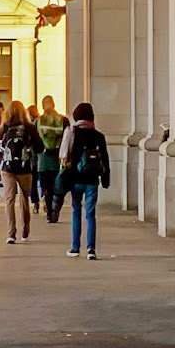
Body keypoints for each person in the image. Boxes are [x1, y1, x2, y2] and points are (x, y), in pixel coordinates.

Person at [59, 100, 111, 259]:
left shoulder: (72, 132)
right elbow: (105, 159)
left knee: (76, 211)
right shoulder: (99, 136)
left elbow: (63, 155)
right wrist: (106, 178)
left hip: (75, 179)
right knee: (91, 214)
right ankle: (91, 249)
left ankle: (75, 247)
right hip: (92, 180)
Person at [0, 100, 38, 242]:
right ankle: (25, 230)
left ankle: (11, 234)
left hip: (7, 168)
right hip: (24, 167)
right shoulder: (29, 127)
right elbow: (40, 147)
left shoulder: (4, 127)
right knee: (24, 199)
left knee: (9, 200)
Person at [34, 95, 68, 221]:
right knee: (58, 188)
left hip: (43, 161)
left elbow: (34, 141)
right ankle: (56, 210)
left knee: (46, 188)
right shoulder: (63, 120)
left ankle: (49, 213)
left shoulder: (38, 121)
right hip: (58, 159)